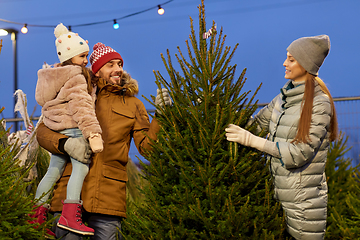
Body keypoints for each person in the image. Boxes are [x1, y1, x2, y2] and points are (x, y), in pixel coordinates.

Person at [36, 42, 172, 239]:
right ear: (97, 71)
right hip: (68, 198)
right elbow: (42, 132)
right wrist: (65, 144)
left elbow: (147, 148)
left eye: (119, 64)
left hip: (108, 200)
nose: (118, 69)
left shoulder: (133, 104)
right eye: (111, 65)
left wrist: (161, 116)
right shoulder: (77, 92)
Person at [225, 35, 338, 240]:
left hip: (303, 210)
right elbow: (256, 125)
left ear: (305, 64)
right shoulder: (283, 98)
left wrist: (251, 141)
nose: (284, 63)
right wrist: (216, 104)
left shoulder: (319, 104)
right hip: (278, 201)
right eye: (286, 58)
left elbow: (299, 154)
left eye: (291, 59)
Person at [31, 23, 104, 236]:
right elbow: (81, 106)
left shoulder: (54, 75)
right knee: (81, 168)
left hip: (57, 129)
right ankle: (70, 215)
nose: (85, 61)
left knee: (52, 172)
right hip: (73, 129)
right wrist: (93, 133)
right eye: (82, 56)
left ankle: (36, 217)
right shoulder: (76, 76)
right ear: (71, 57)